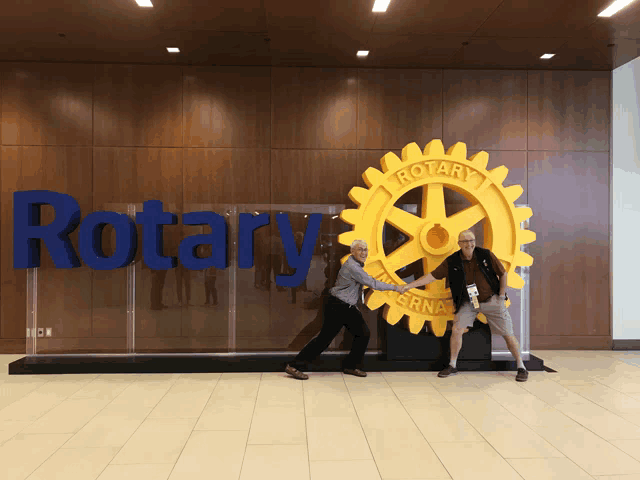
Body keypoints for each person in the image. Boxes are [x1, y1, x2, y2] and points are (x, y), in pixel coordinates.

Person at [403, 230, 528, 382]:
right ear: (459, 244)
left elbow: (503, 274)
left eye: (472, 240)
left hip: (491, 300)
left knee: (508, 334)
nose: (469, 244)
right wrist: (410, 286)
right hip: (469, 302)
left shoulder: (485, 255)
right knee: (456, 329)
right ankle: (452, 365)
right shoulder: (452, 260)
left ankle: (521, 367)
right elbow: (432, 276)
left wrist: (501, 297)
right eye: (465, 241)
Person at [285, 239, 403, 380]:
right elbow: (373, 283)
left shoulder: (355, 264)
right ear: (352, 251)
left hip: (345, 306)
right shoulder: (353, 267)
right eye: (360, 249)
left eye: (365, 249)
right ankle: (294, 365)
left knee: (362, 333)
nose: (363, 252)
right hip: (339, 306)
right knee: (325, 339)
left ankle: (351, 366)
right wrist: (397, 288)